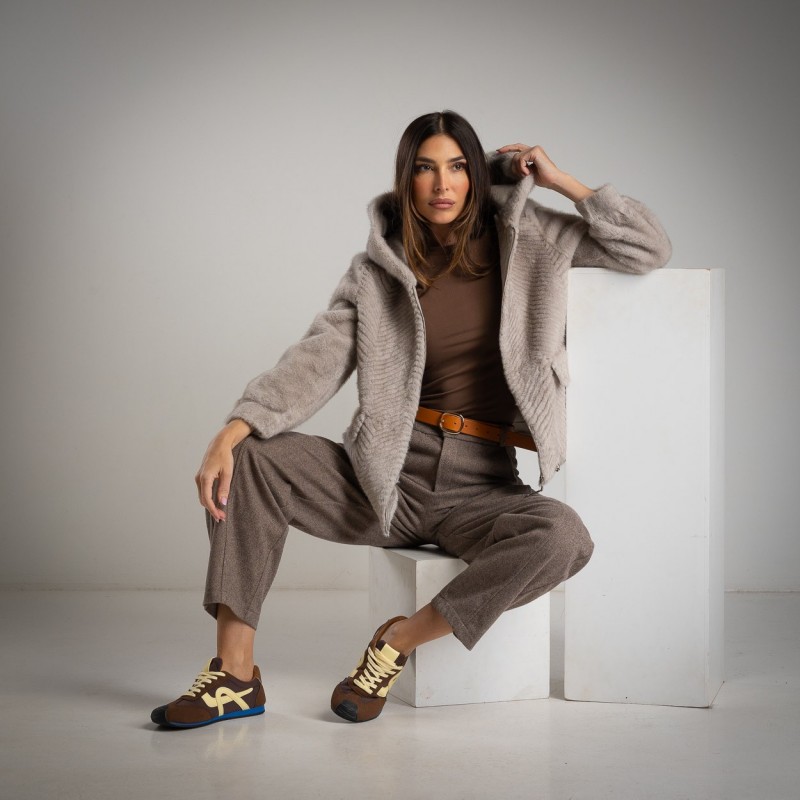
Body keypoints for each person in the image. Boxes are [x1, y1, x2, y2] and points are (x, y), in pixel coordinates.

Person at [151, 110, 671, 728]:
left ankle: (395, 642)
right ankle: (235, 677)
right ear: (407, 179)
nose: (442, 184)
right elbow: (319, 357)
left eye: (457, 167)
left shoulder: (534, 239)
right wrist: (232, 430)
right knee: (248, 460)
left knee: (564, 537)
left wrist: (563, 183)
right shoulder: (378, 270)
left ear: (477, 175)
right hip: (386, 480)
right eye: (425, 169)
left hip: (481, 489)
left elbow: (648, 247)